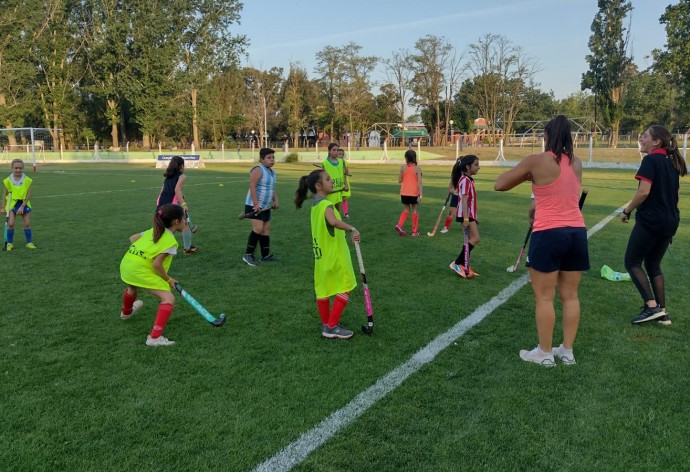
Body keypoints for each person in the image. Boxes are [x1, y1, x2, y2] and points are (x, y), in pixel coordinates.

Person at [494, 115, 589, 367]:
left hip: (548, 233)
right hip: (577, 233)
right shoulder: (577, 163)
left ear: (545, 136)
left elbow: (499, 184)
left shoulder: (536, 161)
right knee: (570, 295)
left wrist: (526, 175)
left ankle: (545, 353)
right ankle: (567, 352)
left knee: (544, 297)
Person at [621, 125, 687, 325]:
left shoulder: (650, 160)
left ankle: (651, 306)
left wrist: (627, 210)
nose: (641, 138)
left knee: (632, 262)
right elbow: (675, 197)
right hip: (670, 221)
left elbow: (643, 192)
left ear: (656, 142)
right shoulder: (671, 163)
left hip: (652, 221)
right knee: (652, 264)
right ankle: (662, 312)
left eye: (646, 136)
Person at [294, 169, 360, 339]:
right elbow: (333, 221)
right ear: (319, 186)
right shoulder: (325, 205)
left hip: (320, 256)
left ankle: (327, 324)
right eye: (328, 179)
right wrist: (351, 228)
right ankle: (331, 326)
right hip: (335, 255)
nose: (332, 182)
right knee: (346, 286)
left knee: (322, 290)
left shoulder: (315, 206)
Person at [119, 204, 186, 347]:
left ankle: (126, 313)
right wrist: (168, 279)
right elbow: (156, 265)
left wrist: (144, 253)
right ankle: (154, 338)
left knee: (133, 287)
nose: (186, 221)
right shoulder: (170, 241)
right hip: (139, 270)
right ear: (176, 222)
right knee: (168, 298)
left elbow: (133, 238)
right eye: (184, 218)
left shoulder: (154, 230)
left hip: (127, 264)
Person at [243, 147, 279, 266]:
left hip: (266, 206)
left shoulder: (273, 173)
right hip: (254, 205)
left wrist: (275, 200)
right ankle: (248, 255)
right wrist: (256, 204)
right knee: (257, 229)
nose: (272, 160)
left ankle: (265, 255)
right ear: (261, 160)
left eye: (273, 157)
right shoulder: (258, 170)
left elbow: (271, 188)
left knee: (265, 230)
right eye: (269, 158)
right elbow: (252, 186)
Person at [157, 156, 198, 255]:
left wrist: (159, 203)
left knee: (163, 226)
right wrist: (183, 204)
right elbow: (177, 190)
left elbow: (162, 190)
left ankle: (187, 247)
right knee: (182, 224)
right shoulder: (182, 176)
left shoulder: (168, 176)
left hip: (161, 202)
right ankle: (187, 248)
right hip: (171, 204)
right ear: (181, 166)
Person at [449, 155, 480, 277]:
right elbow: (464, 200)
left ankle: (465, 265)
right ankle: (457, 263)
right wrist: (466, 218)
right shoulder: (465, 180)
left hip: (468, 214)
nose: (478, 167)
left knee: (468, 241)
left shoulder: (467, 179)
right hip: (465, 214)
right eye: (476, 165)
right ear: (468, 167)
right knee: (475, 239)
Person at [1, 159, 37, 251]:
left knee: (27, 223)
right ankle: (9, 243)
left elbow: (29, 193)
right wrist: (2, 207)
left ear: (23, 168)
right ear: (12, 168)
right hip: (12, 203)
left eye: (20, 168)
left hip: (24, 203)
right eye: (16, 168)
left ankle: (29, 243)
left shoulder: (27, 180)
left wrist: (23, 205)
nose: (18, 170)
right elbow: (4, 194)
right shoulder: (8, 180)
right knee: (11, 223)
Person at [395, 149, 423, 236]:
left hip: (404, 193)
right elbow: (419, 183)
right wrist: (420, 195)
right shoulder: (417, 168)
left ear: (406, 158)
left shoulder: (403, 167)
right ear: (415, 158)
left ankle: (399, 225)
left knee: (406, 210)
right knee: (414, 211)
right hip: (414, 193)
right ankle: (414, 232)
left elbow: (399, 180)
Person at [322, 143, 347, 214]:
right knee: (330, 210)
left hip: (339, 189)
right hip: (331, 190)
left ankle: (336, 222)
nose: (336, 152)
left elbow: (344, 174)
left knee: (337, 210)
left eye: (337, 150)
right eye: (334, 150)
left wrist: (346, 184)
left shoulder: (341, 161)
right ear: (329, 151)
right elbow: (323, 177)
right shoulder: (325, 163)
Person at [441, 157, 463, 233]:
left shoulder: (465, 174)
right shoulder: (454, 172)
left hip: (463, 196)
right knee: (451, 211)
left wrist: (454, 191)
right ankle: (446, 227)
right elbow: (451, 183)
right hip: (455, 196)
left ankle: (465, 226)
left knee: (463, 212)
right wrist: (449, 192)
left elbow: (463, 187)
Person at [338, 148, 351, 218]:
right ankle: (336, 213)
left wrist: (343, 164)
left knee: (344, 199)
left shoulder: (345, 162)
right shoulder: (334, 163)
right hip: (337, 183)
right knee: (336, 199)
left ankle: (346, 213)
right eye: (339, 154)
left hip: (344, 182)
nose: (341, 155)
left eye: (342, 154)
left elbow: (347, 172)